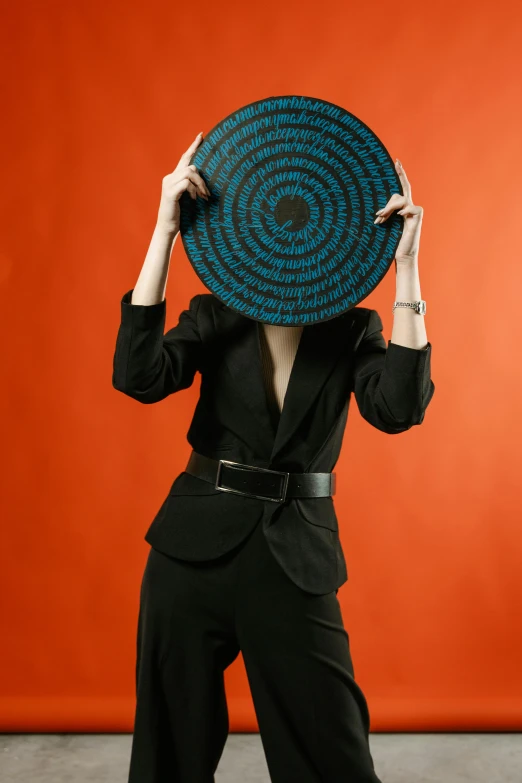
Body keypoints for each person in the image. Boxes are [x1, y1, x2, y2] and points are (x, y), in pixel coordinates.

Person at [112, 131, 435, 783]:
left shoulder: (354, 327)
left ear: (336, 228)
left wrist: (406, 269)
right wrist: (164, 232)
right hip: (190, 550)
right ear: (251, 221)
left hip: (294, 557)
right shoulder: (214, 314)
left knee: (331, 755)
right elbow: (138, 375)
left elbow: (398, 408)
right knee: (168, 752)